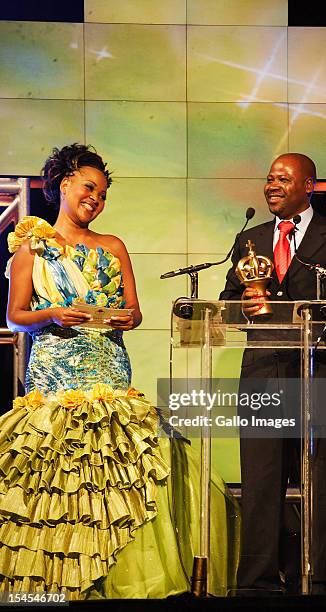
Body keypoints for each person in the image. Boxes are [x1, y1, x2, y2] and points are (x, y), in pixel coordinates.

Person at [0, 144, 239, 599]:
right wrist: (52, 314)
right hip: (56, 377)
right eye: (90, 187)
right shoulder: (33, 246)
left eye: (104, 193)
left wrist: (127, 317)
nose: (97, 198)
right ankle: (53, 586)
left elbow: (135, 310)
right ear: (65, 183)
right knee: (58, 482)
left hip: (109, 369)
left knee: (118, 474)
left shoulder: (112, 246)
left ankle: (119, 580)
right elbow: (14, 317)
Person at [220, 153, 326, 595]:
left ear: (308, 185)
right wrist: (242, 307)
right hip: (263, 373)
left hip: (319, 371)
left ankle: (321, 582)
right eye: (269, 178)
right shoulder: (248, 239)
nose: (272, 185)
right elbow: (228, 301)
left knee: (319, 478)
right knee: (261, 482)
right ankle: (256, 583)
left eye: (283, 179)